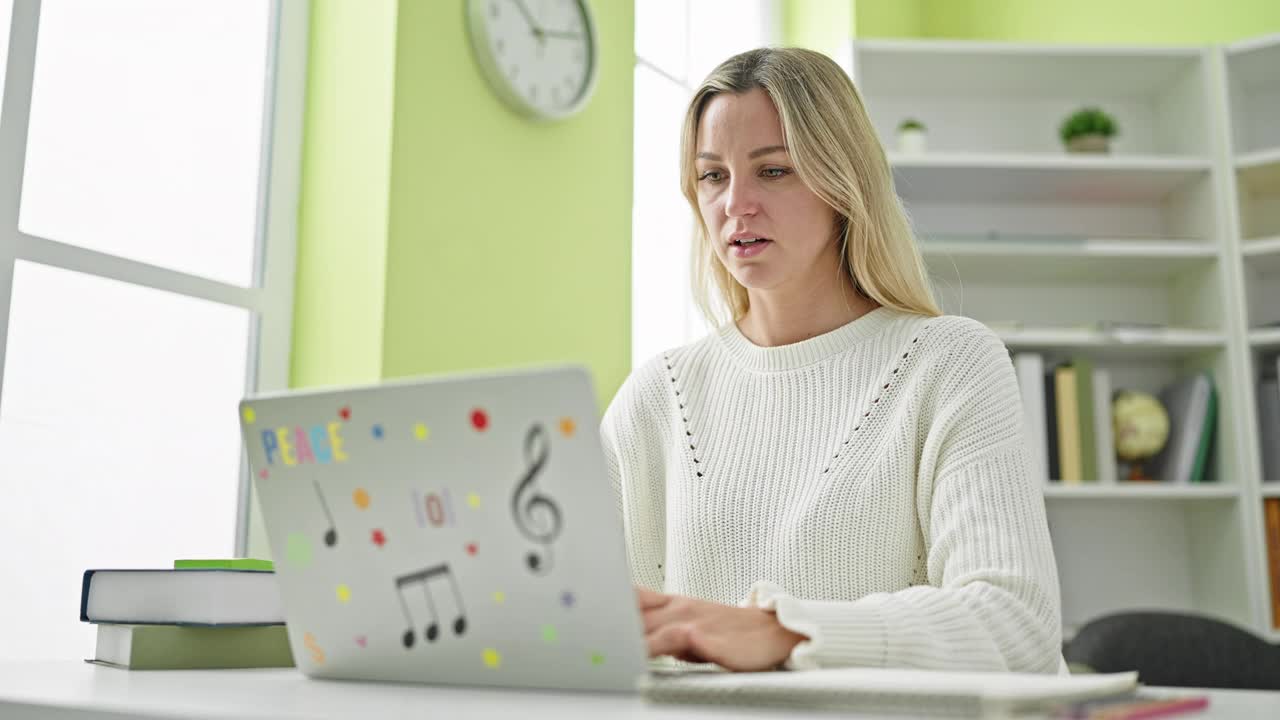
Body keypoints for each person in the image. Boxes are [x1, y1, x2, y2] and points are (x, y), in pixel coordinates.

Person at [600, 48, 1064, 674]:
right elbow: (587, 623)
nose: (736, 204)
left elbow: (1016, 625)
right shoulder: (659, 394)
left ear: (842, 182)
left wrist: (785, 634)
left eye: (774, 171)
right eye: (713, 176)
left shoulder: (950, 362)